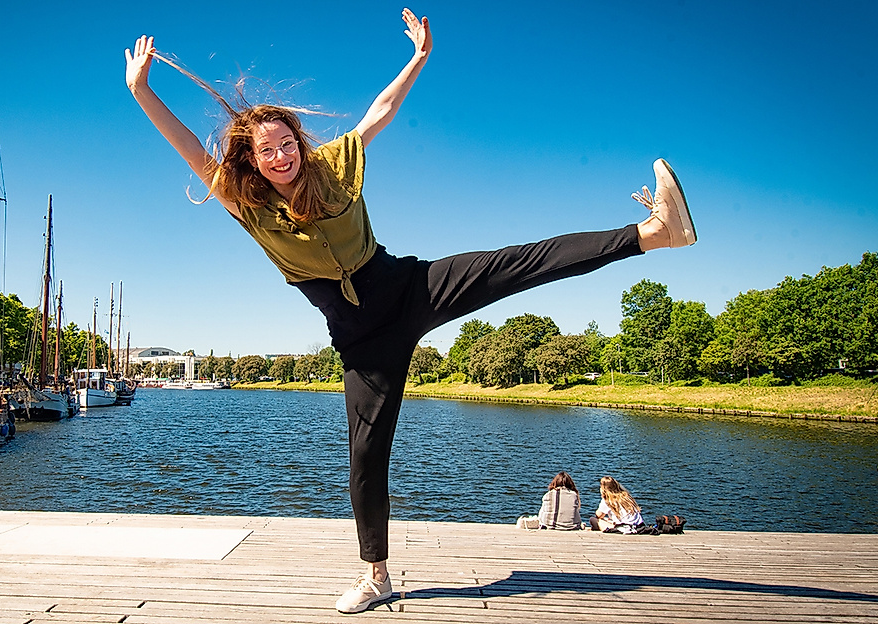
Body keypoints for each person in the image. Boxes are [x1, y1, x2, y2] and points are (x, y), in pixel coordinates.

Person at [125, 7, 695, 614]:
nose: (282, 155)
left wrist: (416, 59)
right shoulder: (246, 203)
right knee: (366, 457)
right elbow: (191, 150)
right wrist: (142, 91)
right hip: (362, 342)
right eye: (268, 151)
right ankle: (377, 575)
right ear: (254, 159)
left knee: (518, 263)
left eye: (287, 143)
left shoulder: (332, 165)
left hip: (408, 287)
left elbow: (380, 112)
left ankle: (655, 233)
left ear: (299, 143)